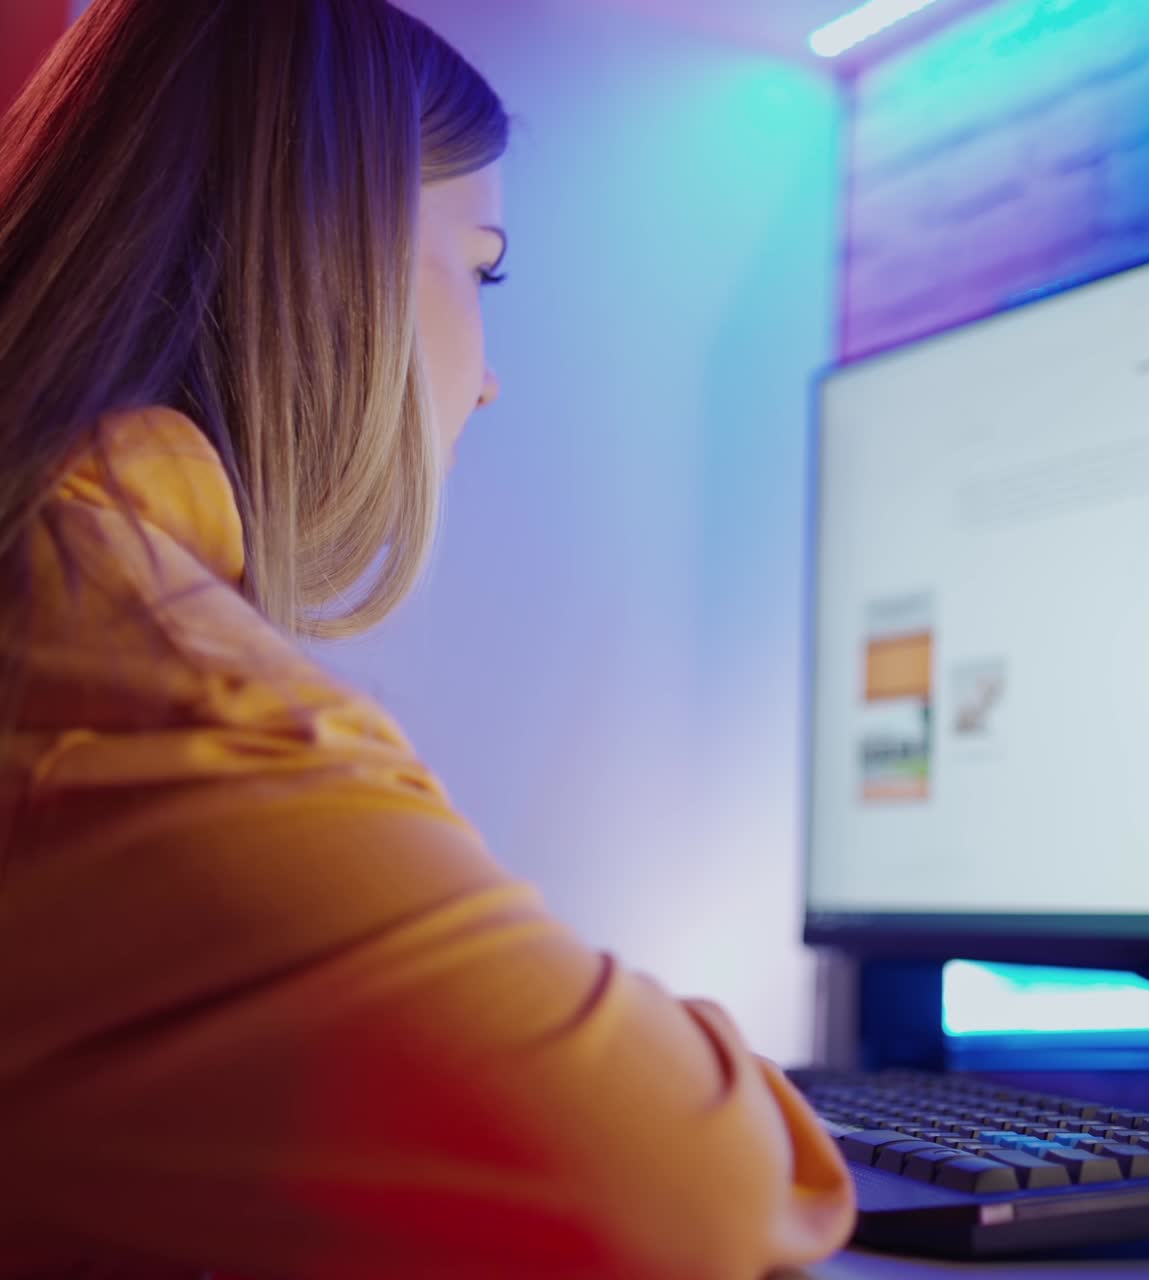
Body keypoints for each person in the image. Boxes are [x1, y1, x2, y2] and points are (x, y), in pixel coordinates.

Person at [0, 1, 857, 1276]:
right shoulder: (145, 687)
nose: (492, 375)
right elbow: (691, 1189)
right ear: (325, 256)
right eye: (483, 262)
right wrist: (697, 1059)